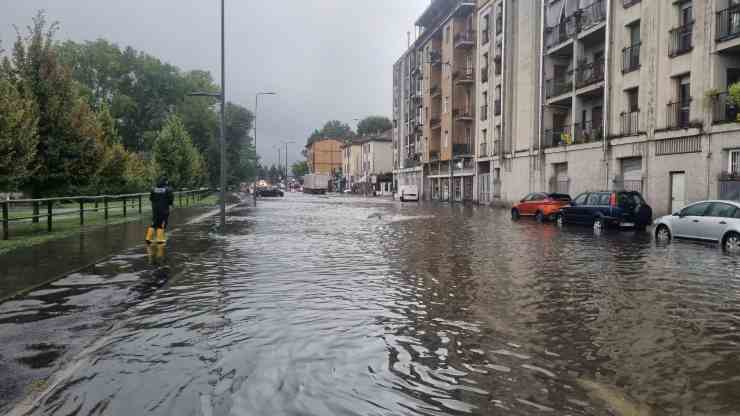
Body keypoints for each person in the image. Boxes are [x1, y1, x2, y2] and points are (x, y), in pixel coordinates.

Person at [145, 176, 174, 244]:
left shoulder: (153, 189)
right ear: (165, 181)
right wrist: (170, 204)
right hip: (164, 208)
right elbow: (170, 199)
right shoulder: (168, 189)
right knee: (162, 223)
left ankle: (148, 238)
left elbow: (151, 198)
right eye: (167, 181)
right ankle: (160, 239)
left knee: (154, 222)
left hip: (155, 209)